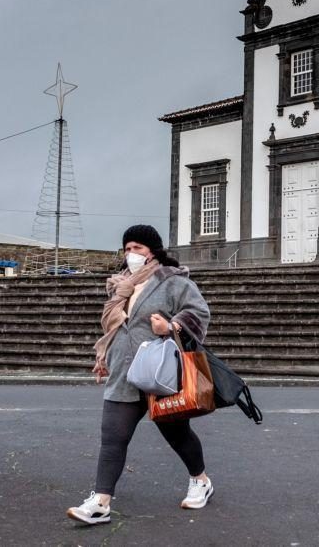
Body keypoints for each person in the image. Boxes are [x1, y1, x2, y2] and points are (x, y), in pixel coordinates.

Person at [67, 224, 213, 525]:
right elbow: (114, 328)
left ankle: (200, 480)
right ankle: (101, 502)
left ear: (153, 252)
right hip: (124, 371)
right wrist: (106, 357)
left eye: (138, 248)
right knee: (113, 437)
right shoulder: (120, 285)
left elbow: (199, 313)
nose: (131, 254)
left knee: (178, 434)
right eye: (127, 248)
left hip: (161, 374)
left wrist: (171, 326)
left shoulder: (173, 281)